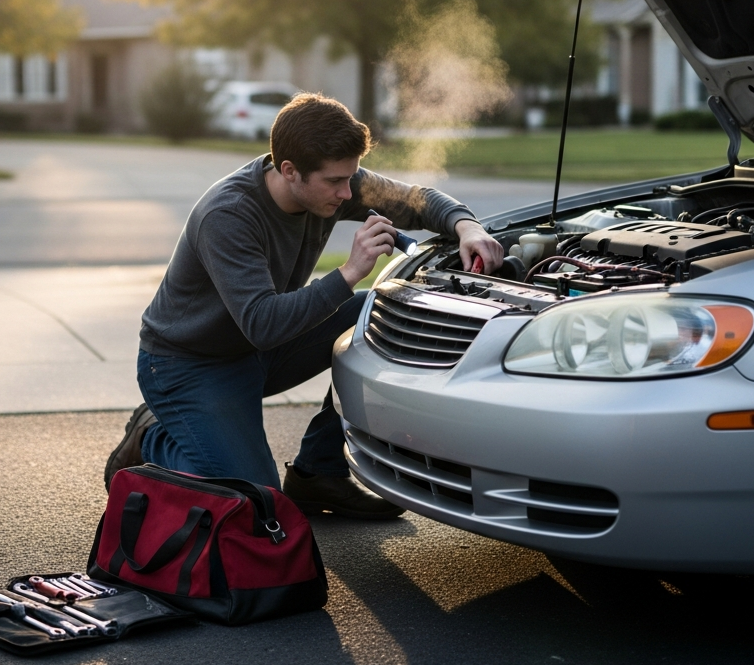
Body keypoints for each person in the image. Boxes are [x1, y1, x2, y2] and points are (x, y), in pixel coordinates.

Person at [105, 93, 504, 518]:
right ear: (289, 170)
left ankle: (320, 473)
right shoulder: (228, 214)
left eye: (350, 177)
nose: (348, 192)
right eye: (335, 182)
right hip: (189, 365)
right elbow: (263, 324)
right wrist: (349, 271)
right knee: (256, 504)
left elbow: (417, 200)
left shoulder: (332, 180)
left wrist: (468, 227)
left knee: (376, 313)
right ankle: (151, 436)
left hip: (259, 349)